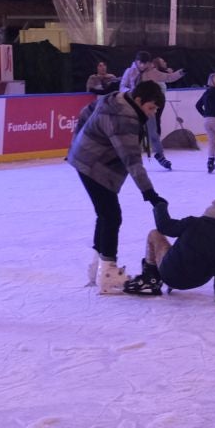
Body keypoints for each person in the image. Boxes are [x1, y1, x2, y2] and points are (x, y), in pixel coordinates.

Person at [68, 80, 166, 294]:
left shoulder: (117, 98)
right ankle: (108, 275)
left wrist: (77, 143)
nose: (151, 114)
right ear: (138, 100)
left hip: (87, 158)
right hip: (94, 165)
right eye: (150, 108)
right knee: (112, 216)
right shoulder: (125, 118)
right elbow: (132, 160)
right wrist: (150, 193)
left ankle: (97, 268)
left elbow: (86, 110)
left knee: (105, 214)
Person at [123, 196, 215, 306]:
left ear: (209, 212)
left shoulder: (192, 223)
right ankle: (158, 279)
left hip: (170, 273)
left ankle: (150, 279)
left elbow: (164, 227)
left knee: (155, 234)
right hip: (195, 282)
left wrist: (160, 206)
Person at [120, 52, 176, 170]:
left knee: (153, 132)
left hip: (148, 106)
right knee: (133, 134)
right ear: (137, 61)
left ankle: (160, 155)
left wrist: (180, 73)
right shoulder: (129, 72)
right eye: (141, 63)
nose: (143, 66)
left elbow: (168, 77)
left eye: (146, 64)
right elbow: (122, 87)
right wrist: (131, 91)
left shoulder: (152, 72)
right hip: (133, 107)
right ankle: (130, 159)